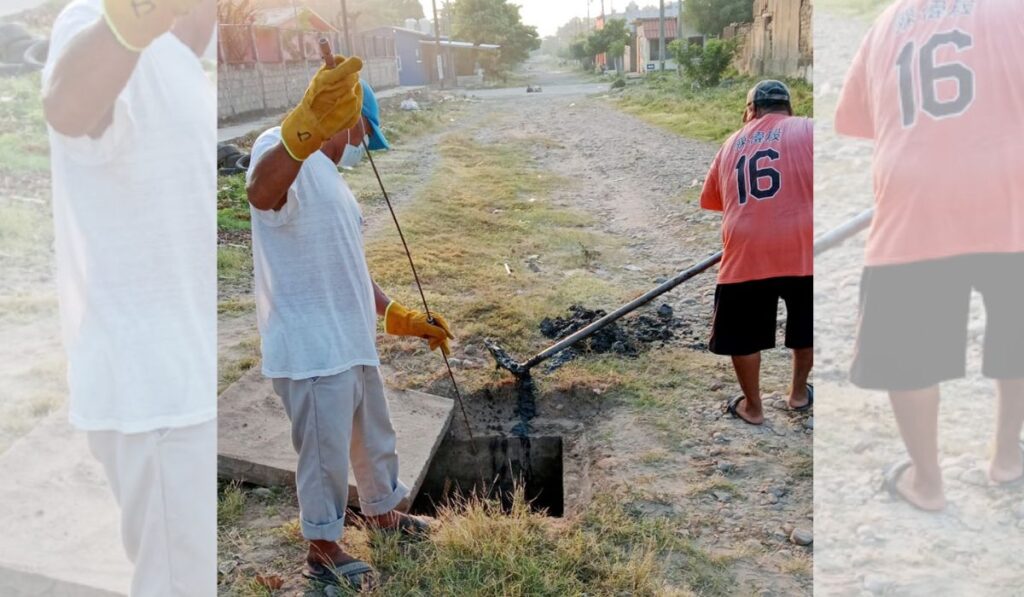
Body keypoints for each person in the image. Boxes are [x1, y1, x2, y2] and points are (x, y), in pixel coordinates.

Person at [246, 73, 454, 589]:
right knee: (325, 453)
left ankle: (383, 512)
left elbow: (350, 268)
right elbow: (261, 193)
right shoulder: (280, 148)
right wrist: (302, 130)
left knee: (373, 437)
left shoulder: (331, 177)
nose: (362, 147)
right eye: (363, 134)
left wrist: (398, 315)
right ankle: (321, 547)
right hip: (311, 345)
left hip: (350, 337)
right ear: (344, 117)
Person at [41, 0, 217, 594]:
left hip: (181, 380)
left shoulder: (179, 59)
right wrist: (123, 25)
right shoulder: (97, 23)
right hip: (154, 392)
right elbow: (67, 106)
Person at [836, 0, 1024, 511]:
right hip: (1013, 189)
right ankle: (1007, 457)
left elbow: (859, 119)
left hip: (916, 196)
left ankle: (927, 482)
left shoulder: (887, 22)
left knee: (908, 351)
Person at [699, 80, 814, 426]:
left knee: (743, 332)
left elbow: (713, 201)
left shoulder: (732, 142)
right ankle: (797, 394)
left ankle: (753, 407)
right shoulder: (809, 129)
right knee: (807, 325)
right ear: (788, 108)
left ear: (751, 111)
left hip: (747, 248)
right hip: (805, 246)